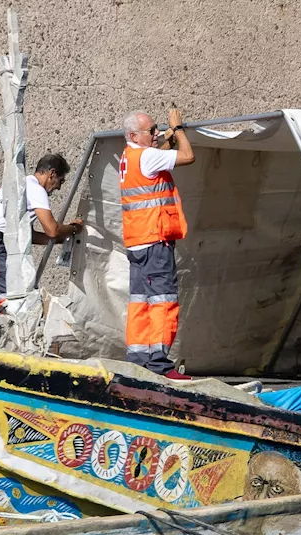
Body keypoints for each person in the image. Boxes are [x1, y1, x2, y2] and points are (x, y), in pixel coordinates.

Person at [119, 108, 195, 378]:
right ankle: (160, 365)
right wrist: (178, 128)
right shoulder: (147, 156)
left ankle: (138, 362)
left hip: (137, 241)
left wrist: (166, 139)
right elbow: (188, 156)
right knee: (163, 301)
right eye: (151, 131)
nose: (156, 133)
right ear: (133, 135)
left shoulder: (129, 157)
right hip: (154, 240)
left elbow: (156, 155)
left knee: (140, 302)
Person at [0, 153, 83, 297]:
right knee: (13, 294)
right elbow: (52, 230)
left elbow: (29, 236)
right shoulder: (35, 188)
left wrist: (59, 239)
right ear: (52, 173)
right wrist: (73, 228)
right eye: (60, 181)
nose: (58, 188)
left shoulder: (16, 184)